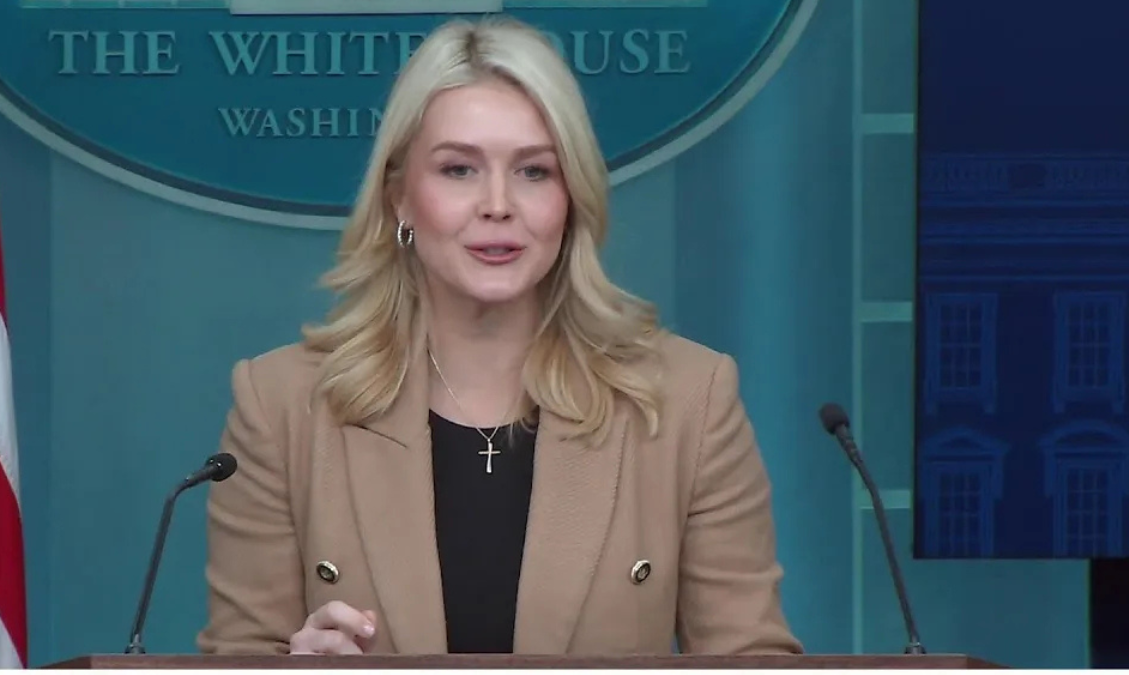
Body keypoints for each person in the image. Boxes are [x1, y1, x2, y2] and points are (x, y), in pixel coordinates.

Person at [196, 15, 803, 657]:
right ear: (400, 198)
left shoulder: (688, 400)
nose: (497, 204)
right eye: (459, 169)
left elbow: (753, 661)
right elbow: (237, 657)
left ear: (572, 198)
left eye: (534, 172)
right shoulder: (281, 405)